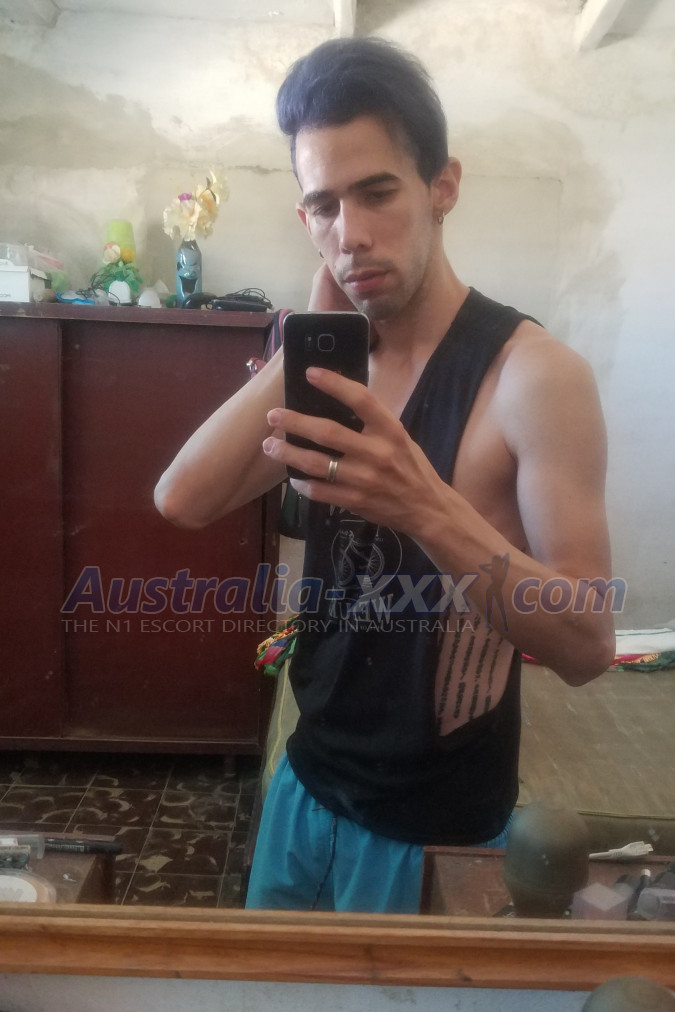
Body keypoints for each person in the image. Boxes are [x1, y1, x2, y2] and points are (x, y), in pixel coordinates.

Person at [155, 38, 615, 914]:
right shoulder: (327, 364)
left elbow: (589, 644)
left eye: (376, 193)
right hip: (306, 783)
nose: (351, 234)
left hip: (438, 824)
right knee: (267, 1004)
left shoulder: (534, 378)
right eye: (323, 205)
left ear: (441, 186)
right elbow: (182, 498)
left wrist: (423, 503)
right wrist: (303, 344)